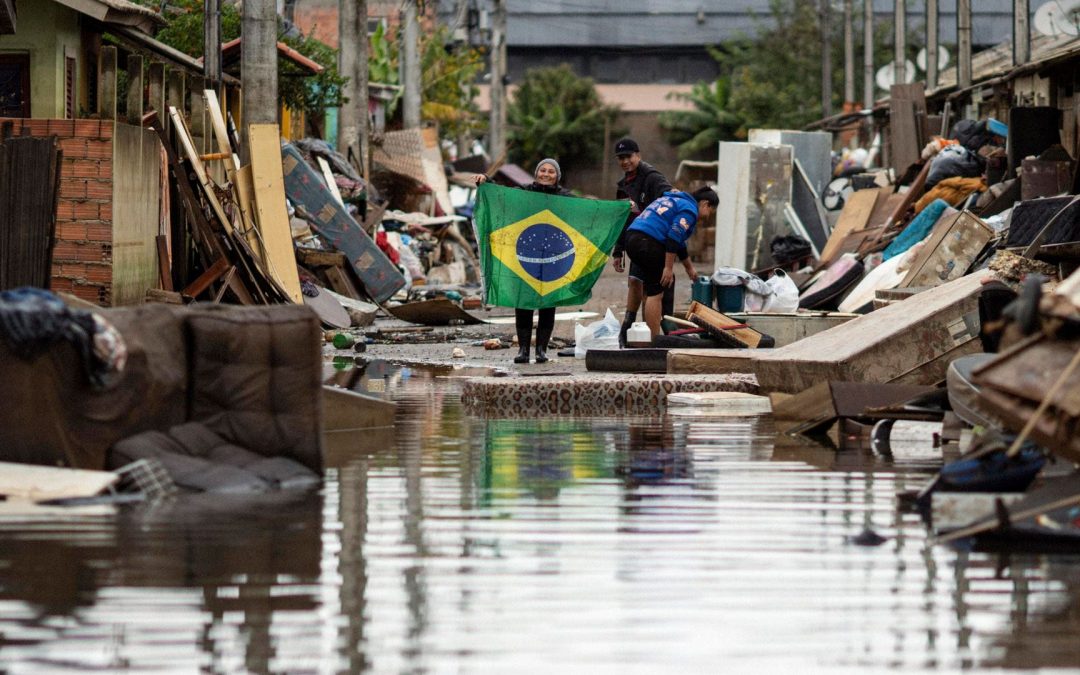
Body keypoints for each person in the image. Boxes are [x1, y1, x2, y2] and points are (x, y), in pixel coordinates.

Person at [475, 158, 572, 364]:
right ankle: (524, 351)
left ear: (557, 176)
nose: (546, 174)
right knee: (523, 302)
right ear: (536, 173)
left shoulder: (566, 197)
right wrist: (486, 181)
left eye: (551, 171)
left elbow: (588, 210)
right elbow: (503, 196)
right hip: (526, 254)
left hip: (553, 257)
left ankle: (541, 351)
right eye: (542, 170)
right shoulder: (525, 192)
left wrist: (622, 207)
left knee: (548, 304)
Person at [608, 138, 697, 346]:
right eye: (621, 158)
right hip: (635, 240)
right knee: (635, 283)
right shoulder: (623, 186)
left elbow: (670, 199)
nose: (625, 161)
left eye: (629, 156)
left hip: (653, 241)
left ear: (638, 155)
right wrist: (618, 250)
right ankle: (632, 330)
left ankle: (655, 336)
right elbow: (623, 219)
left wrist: (684, 263)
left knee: (653, 290)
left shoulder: (652, 177)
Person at [624, 186, 719, 338]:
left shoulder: (673, 200)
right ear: (705, 204)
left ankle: (632, 333)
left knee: (649, 285)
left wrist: (689, 268)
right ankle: (653, 342)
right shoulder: (690, 209)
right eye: (710, 212)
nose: (707, 217)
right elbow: (674, 236)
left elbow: (679, 243)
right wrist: (668, 268)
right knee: (656, 293)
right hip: (648, 243)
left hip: (632, 238)